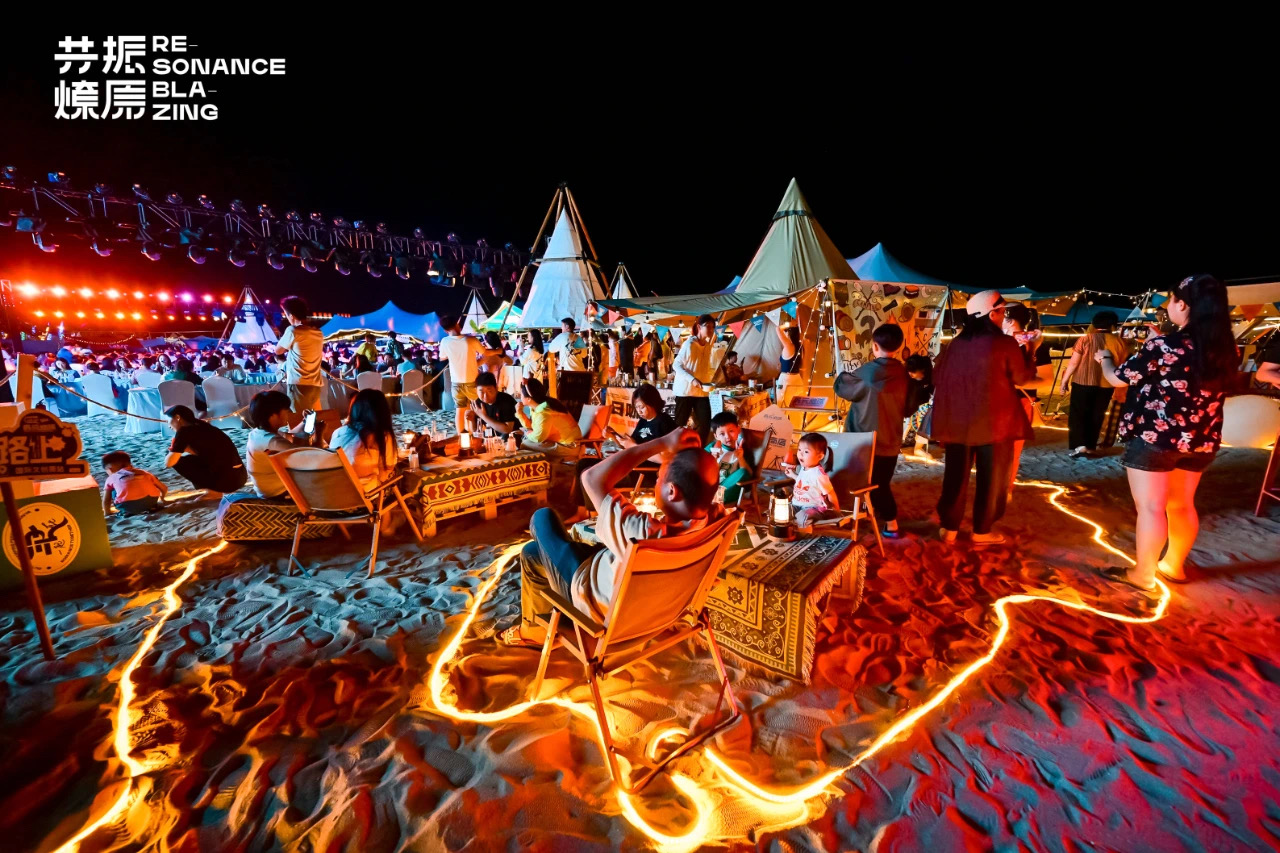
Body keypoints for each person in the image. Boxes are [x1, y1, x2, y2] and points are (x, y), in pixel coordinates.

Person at [502, 427, 719, 646]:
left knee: (542, 518)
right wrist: (689, 461)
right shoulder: (714, 526)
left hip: (595, 608)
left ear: (671, 491)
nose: (656, 482)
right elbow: (705, 484)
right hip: (655, 614)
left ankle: (540, 631)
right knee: (531, 554)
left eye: (658, 479)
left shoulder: (642, 534)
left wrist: (662, 442)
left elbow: (591, 477)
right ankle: (534, 629)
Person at [1094, 274, 1238, 592]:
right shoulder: (1226, 350)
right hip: (1200, 439)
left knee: (1151, 507)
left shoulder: (1164, 346)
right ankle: (1173, 566)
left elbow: (1117, 378)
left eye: (1171, 300)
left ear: (1183, 304)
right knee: (1182, 505)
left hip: (1156, 439)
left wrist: (1104, 358)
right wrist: (1158, 344)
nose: (1167, 305)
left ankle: (1143, 575)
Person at [931, 290, 1036, 545]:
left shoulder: (954, 344)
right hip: (994, 423)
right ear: (992, 314)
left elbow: (937, 376)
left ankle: (949, 528)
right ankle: (982, 531)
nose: (1003, 317)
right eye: (1002, 312)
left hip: (958, 422)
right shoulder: (1005, 343)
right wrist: (1031, 349)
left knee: (955, 476)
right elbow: (1022, 378)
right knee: (992, 479)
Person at [833, 324, 908, 538]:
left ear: (874, 346)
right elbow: (909, 405)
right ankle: (877, 516)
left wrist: (841, 376)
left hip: (863, 438)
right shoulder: (904, 374)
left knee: (866, 481)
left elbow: (842, 388)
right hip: (891, 438)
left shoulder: (866, 373)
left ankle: (890, 521)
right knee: (882, 481)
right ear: (899, 346)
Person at [1059, 310, 1128, 457]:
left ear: (1094, 324)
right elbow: (1121, 365)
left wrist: (1064, 381)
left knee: (1078, 413)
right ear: (1113, 325)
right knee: (1097, 414)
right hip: (1107, 384)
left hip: (1082, 381)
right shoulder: (1119, 342)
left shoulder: (1085, 339)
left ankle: (1080, 446)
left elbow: (1073, 363)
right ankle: (1091, 447)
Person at [164, 405, 247, 497]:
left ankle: (213, 492)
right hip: (240, 476)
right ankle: (213, 491)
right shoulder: (202, 425)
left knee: (176, 460)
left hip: (226, 482)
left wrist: (172, 450)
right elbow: (207, 453)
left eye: (168, 421)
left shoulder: (184, 431)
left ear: (177, 417)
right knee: (191, 459)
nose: (168, 426)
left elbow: (169, 463)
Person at [329, 389, 398, 492]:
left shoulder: (338, 432)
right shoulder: (381, 436)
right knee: (399, 474)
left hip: (335, 492)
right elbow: (385, 473)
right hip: (365, 494)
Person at [245, 390, 309, 499]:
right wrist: (319, 434)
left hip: (265, 489)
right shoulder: (273, 442)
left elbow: (290, 436)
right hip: (278, 493)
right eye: (286, 410)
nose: (289, 412)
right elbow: (311, 457)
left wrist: (304, 422)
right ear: (273, 415)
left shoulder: (258, 433)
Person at [275, 295, 324, 414]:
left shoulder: (293, 330)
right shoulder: (318, 332)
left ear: (291, 315)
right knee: (314, 417)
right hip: (315, 383)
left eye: (286, 314)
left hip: (299, 383)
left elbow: (278, 351)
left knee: (299, 417)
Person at [439, 314, 486, 434]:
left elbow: (442, 357)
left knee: (459, 411)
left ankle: (461, 436)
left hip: (456, 382)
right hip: (472, 381)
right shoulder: (471, 340)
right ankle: (475, 433)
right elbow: (484, 353)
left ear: (445, 330)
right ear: (457, 324)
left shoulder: (445, 341)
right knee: (476, 408)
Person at [672, 314, 717, 442]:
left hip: (701, 392)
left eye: (712, 327)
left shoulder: (708, 346)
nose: (710, 329)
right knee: (680, 425)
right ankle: (676, 449)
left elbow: (705, 367)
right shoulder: (689, 344)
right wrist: (692, 379)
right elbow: (676, 365)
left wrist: (712, 379)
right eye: (708, 326)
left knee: (705, 424)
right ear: (699, 327)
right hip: (685, 391)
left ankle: (699, 449)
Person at [783, 432, 840, 530]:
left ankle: (801, 527)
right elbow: (806, 482)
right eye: (799, 449)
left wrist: (837, 511)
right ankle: (794, 525)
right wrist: (792, 475)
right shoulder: (804, 467)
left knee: (803, 517)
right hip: (796, 505)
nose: (800, 454)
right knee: (780, 511)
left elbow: (831, 493)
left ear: (820, 456)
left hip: (813, 508)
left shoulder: (819, 475)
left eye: (806, 452)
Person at [516, 377, 581, 458]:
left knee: (525, 444)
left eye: (521, 394)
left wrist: (527, 433)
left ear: (529, 398)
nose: (520, 396)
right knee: (526, 441)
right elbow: (531, 426)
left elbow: (538, 437)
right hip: (559, 444)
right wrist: (520, 413)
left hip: (568, 448)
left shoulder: (544, 412)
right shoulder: (539, 406)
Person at [101, 450, 167, 515]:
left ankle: (126, 511)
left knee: (113, 490)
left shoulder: (111, 478)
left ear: (110, 469)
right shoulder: (144, 473)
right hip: (151, 502)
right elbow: (163, 488)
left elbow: (106, 500)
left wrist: (107, 512)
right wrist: (162, 498)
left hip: (127, 505)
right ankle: (150, 507)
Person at [708, 411, 749, 505]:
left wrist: (741, 458)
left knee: (743, 471)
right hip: (710, 487)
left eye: (731, 431)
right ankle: (710, 497)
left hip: (728, 489)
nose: (727, 437)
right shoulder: (712, 447)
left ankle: (713, 498)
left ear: (738, 430)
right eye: (722, 434)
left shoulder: (742, 450)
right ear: (716, 436)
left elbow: (747, 475)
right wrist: (712, 459)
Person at [466, 371, 518, 437]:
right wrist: (472, 420)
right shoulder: (478, 403)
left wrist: (483, 416)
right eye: (481, 392)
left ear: (496, 388)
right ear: (476, 390)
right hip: (493, 438)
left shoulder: (506, 400)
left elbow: (507, 429)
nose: (485, 396)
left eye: (489, 391)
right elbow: (475, 431)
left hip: (513, 436)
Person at [903, 354, 934, 453]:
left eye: (913, 371)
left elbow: (932, 390)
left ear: (922, 369)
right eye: (909, 371)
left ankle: (918, 448)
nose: (910, 373)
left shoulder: (929, 377)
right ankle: (897, 446)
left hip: (922, 406)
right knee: (905, 425)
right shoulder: (907, 379)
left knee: (924, 424)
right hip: (908, 407)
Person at [775, 322, 804, 406]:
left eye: (786, 331)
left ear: (789, 334)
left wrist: (788, 324)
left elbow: (777, 329)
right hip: (797, 378)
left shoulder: (789, 346)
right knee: (795, 406)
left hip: (787, 380)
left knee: (782, 405)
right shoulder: (799, 347)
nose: (784, 333)